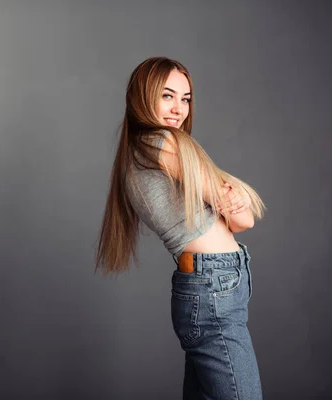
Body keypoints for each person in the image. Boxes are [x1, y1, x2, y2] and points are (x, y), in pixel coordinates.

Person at [95, 56, 266, 400]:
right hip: (213, 289)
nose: (178, 109)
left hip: (212, 287)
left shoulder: (141, 152)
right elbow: (239, 214)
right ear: (143, 96)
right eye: (167, 96)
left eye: (185, 98)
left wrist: (229, 201)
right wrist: (228, 195)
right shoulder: (162, 144)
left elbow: (242, 219)